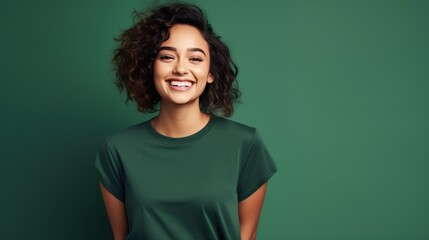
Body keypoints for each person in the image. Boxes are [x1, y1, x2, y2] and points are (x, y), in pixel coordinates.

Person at [95, 3, 277, 240]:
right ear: (150, 67)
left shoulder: (245, 144)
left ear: (211, 72)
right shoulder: (117, 150)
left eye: (195, 58)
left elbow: (247, 235)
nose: (181, 68)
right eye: (168, 56)